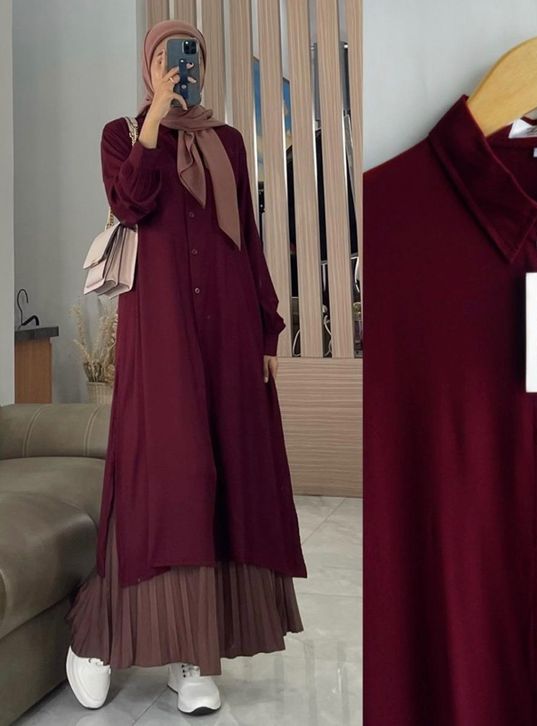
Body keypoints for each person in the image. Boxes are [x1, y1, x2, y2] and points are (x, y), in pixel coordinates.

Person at [64, 19, 307, 715]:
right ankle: (98, 635)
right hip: (161, 333)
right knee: (165, 474)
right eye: (171, 57)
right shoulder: (122, 135)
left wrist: (267, 331)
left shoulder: (228, 142)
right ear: (150, 66)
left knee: (223, 475)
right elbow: (129, 203)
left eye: (193, 55)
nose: (183, 65)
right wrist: (155, 125)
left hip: (228, 333)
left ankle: (192, 657)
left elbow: (247, 240)